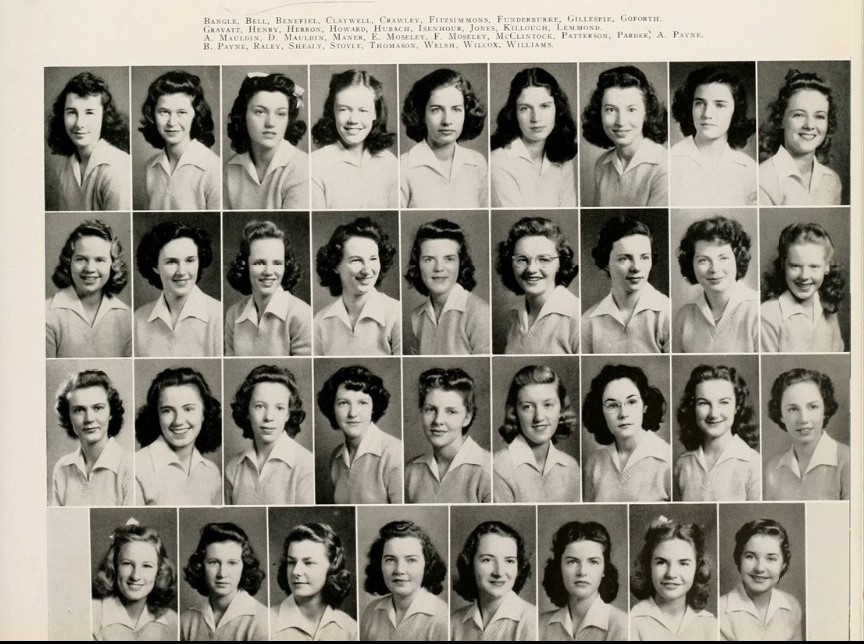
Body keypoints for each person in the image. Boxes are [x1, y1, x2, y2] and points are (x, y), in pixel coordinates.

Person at [225, 365, 314, 505]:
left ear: (288, 414)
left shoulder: (306, 465)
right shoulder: (233, 468)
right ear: (247, 411)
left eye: (279, 408)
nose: (269, 417)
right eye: (259, 406)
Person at [582, 364, 671, 502]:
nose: (623, 414)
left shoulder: (667, 460)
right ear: (600, 412)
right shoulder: (594, 463)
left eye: (631, 402)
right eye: (612, 405)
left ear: (645, 406)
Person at [670, 65, 757, 206]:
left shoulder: (750, 169)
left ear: (735, 111)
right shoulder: (669, 162)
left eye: (720, 105)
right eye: (699, 103)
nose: (707, 114)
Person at [400, 68, 488, 208]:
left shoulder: (478, 163)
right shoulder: (402, 166)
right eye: (436, 109)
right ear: (422, 114)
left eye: (456, 109)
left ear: (466, 112)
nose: (447, 120)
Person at [490, 67, 577, 207]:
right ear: (514, 113)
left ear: (557, 109)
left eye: (544, 106)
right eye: (525, 108)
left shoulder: (563, 158)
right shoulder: (498, 161)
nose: (536, 118)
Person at [581, 65, 668, 207]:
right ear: (599, 114)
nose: (621, 122)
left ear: (647, 113)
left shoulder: (664, 165)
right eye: (611, 109)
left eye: (631, 109)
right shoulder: (602, 164)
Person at [314, 216, 401, 356]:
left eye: (373, 259)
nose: (367, 270)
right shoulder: (320, 321)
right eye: (356, 260)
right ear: (336, 265)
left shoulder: (396, 314)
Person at [582, 215, 670, 354]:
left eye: (644, 257)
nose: (636, 267)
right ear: (606, 263)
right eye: (624, 258)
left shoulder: (666, 311)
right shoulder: (589, 321)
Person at [134, 367, 222, 506]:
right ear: (156, 416)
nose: (178, 421)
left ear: (204, 413)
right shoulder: (136, 467)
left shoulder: (211, 472)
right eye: (167, 410)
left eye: (188, 409)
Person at [493, 365, 581, 503]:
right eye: (527, 407)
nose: (539, 417)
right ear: (514, 412)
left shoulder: (571, 467)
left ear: (561, 409)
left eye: (548, 405)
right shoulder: (497, 467)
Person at [311, 69, 398, 208]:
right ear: (332, 111)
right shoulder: (315, 165)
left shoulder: (391, 163)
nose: (353, 120)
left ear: (375, 113)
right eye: (344, 109)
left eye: (363, 110)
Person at [134, 220, 222, 357]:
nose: (181, 271)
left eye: (190, 260)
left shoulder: (218, 315)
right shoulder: (139, 319)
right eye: (171, 262)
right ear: (155, 266)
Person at [316, 365, 403, 504]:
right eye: (343, 403)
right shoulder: (336, 457)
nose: (353, 413)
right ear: (332, 408)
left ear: (373, 407)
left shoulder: (394, 453)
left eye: (362, 403)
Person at [224, 220, 311, 356]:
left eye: (277, 263)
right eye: (259, 263)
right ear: (245, 266)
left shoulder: (301, 314)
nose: (269, 271)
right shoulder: (233, 314)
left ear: (285, 266)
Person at [674, 365, 761, 501]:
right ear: (693, 407)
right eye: (704, 403)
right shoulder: (682, 464)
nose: (714, 414)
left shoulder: (753, 463)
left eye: (724, 402)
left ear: (737, 407)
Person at [405, 367, 492, 504]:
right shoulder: (410, 472)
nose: (438, 420)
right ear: (421, 411)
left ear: (467, 417)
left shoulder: (490, 469)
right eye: (431, 409)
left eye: (451, 411)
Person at [46, 219, 132, 357]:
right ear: (69, 262)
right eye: (81, 259)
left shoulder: (127, 317)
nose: (90, 269)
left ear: (113, 265)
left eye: (99, 260)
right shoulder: (47, 314)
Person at [673, 216, 759, 353]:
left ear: (737, 259)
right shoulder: (685, 315)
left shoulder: (757, 309)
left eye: (723, 258)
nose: (714, 269)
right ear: (691, 264)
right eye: (703, 260)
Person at [46, 71, 131, 211]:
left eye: (89, 113)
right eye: (72, 112)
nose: (79, 123)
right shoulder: (65, 166)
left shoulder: (119, 168)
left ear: (104, 116)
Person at [404, 219, 490, 355]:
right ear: (417, 264)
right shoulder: (416, 317)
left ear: (461, 263)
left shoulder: (480, 313)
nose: (438, 268)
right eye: (429, 259)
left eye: (449, 259)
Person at [496, 217, 580, 354]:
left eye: (544, 259)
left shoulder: (577, 316)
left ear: (560, 263)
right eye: (522, 259)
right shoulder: (514, 316)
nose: (531, 269)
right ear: (510, 263)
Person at [224, 72, 308, 209]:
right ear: (243, 115)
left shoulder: (303, 167)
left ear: (288, 120)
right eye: (260, 112)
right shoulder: (230, 169)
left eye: (280, 114)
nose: (270, 123)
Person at [138, 70, 220, 210]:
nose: (172, 122)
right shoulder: (150, 167)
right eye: (164, 112)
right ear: (153, 114)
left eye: (181, 112)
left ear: (196, 114)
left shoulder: (213, 167)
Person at [763, 368, 850, 500]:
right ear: (781, 415)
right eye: (793, 409)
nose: (803, 419)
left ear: (825, 410)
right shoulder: (773, 468)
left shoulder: (849, 460)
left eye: (812, 407)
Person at [759, 69, 842, 205]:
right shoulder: (762, 179)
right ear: (781, 120)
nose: (809, 125)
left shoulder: (832, 180)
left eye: (819, 116)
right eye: (799, 115)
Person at [51, 369, 132, 506]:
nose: (89, 419)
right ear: (68, 416)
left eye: (98, 408)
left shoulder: (130, 465)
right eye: (79, 410)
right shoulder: (62, 468)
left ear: (111, 413)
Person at [760, 222, 845, 352]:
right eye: (795, 266)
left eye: (814, 266)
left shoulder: (828, 307)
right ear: (783, 265)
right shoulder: (768, 315)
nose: (804, 276)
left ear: (826, 267)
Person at [630, 517, 718, 640]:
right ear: (648, 565)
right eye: (661, 562)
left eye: (683, 563)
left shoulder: (711, 626)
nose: (671, 574)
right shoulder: (632, 622)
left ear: (697, 567)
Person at [360, 520, 448, 640]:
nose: (399, 570)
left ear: (427, 565)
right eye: (390, 560)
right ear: (379, 564)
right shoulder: (371, 613)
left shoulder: (443, 618)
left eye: (411, 560)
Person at [540, 521, 628, 641]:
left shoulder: (622, 625)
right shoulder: (541, 624)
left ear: (604, 569)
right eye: (572, 561)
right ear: (559, 568)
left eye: (593, 562)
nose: (582, 572)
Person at [451, 520, 537, 641]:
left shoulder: (532, 621)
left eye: (509, 561)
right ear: (470, 563)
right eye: (487, 560)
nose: (499, 572)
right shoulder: (454, 622)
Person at [181, 522, 268, 641]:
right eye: (214, 562)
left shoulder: (262, 620)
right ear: (201, 565)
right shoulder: (186, 620)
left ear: (244, 566)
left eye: (232, 563)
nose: (222, 574)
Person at [91, 522, 178, 641]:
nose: (136, 576)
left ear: (159, 571)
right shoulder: (91, 614)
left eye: (146, 565)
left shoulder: (172, 621)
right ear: (114, 567)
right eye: (127, 564)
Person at [719, 519, 803, 641]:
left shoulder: (791, 605)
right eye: (750, 557)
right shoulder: (721, 611)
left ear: (784, 564)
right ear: (739, 559)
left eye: (771, 558)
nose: (759, 568)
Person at [271, 522, 357, 641]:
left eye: (308, 563)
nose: (296, 571)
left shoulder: (351, 629)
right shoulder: (265, 622)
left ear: (332, 567)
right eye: (291, 562)